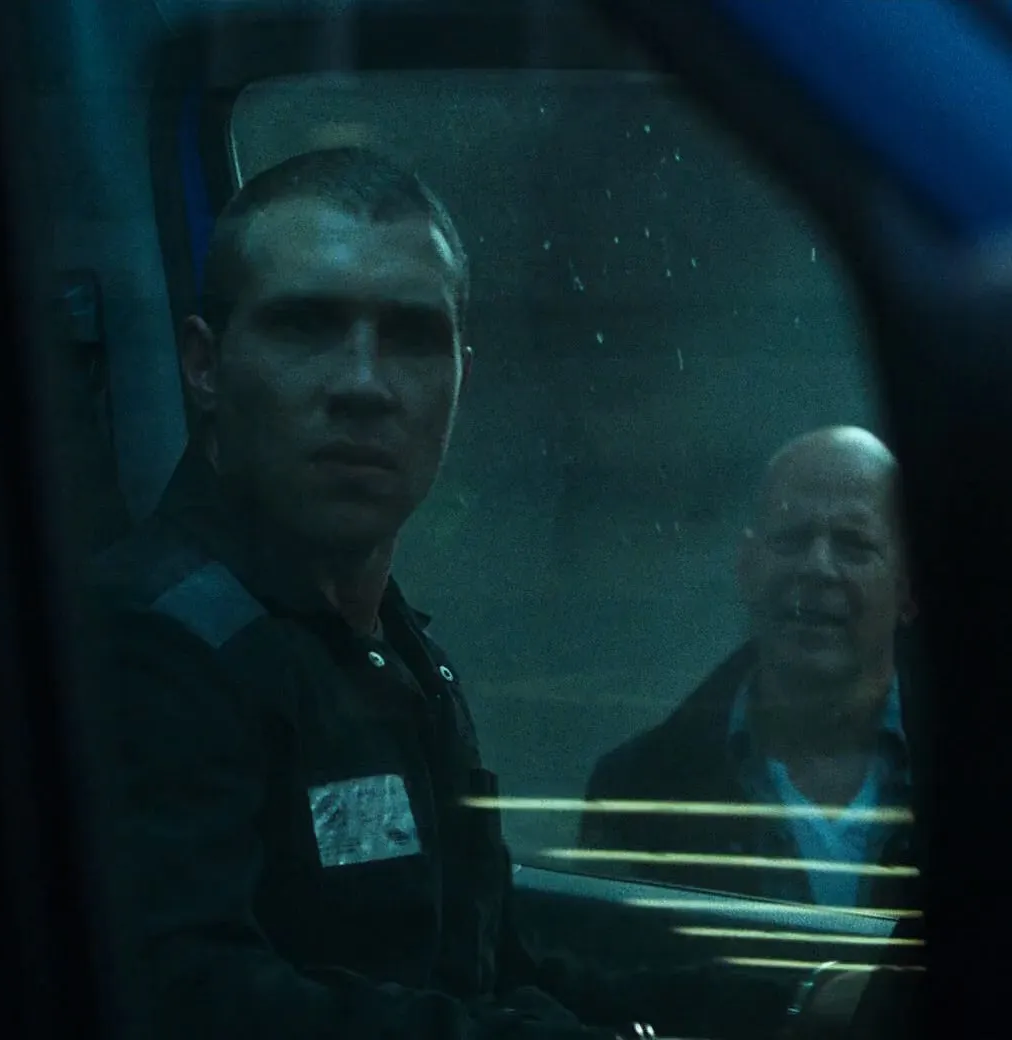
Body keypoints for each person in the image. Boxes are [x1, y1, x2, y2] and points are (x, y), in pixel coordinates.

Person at [84, 147, 825, 1040]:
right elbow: (191, 1002)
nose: (364, 384)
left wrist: (802, 1006)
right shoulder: (145, 647)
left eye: (410, 337)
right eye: (307, 327)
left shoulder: (391, 653)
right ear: (204, 365)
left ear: (459, 377)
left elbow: (490, 971)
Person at [580, 426, 921, 911]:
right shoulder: (635, 790)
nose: (817, 566)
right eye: (792, 539)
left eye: (853, 544)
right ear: (746, 566)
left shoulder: (998, 774)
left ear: (908, 587)